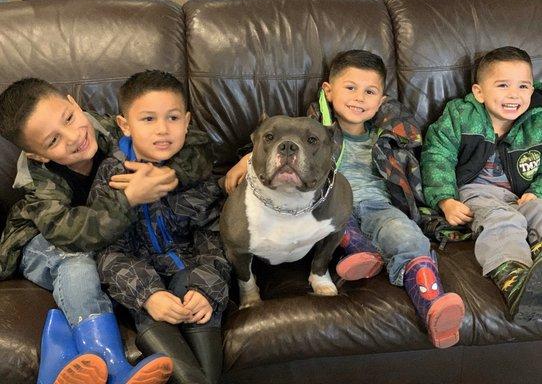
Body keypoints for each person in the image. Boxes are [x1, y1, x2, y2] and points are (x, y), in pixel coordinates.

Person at [225, 50, 465, 348]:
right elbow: (275, 142)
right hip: (332, 205)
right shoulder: (313, 129)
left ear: (382, 99)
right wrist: (246, 159)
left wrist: (441, 200)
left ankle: (433, 303)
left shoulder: (391, 133)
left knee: (407, 237)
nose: (359, 98)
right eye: (350, 88)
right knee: (338, 221)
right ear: (328, 90)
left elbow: (426, 162)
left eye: (370, 91)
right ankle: (360, 253)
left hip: (380, 206)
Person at [0, 78, 183, 383]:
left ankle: (58, 359)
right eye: (53, 141)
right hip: (40, 241)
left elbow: (178, 140)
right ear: (38, 155)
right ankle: (114, 368)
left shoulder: (115, 128)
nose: (74, 137)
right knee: (78, 263)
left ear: (73, 103)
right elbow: (70, 235)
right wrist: (129, 200)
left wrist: (247, 161)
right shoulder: (37, 179)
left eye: (69, 118)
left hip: (103, 236)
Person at [89, 70, 230, 384]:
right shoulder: (112, 174)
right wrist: (148, 295)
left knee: (201, 319)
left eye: (173, 118)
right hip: (140, 284)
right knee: (193, 372)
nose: (163, 130)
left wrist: (205, 290)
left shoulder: (193, 169)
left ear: (187, 121)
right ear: (125, 125)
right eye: (149, 119)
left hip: (192, 273)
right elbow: (107, 249)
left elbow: (213, 234)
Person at [421, 46, 542, 323]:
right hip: (475, 192)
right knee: (502, 220)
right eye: (503, 85)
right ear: (479, 92)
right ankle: (515, 280)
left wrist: (536, 191)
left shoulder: (537, 121)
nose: (514, 94)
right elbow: (436, 155)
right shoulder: (460, 116)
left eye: (523, 86)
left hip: (521, 195)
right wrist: (445, 200)